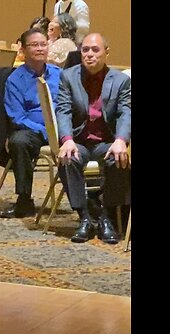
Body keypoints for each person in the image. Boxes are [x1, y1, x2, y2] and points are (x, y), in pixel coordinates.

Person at [55, 33, 131, 244]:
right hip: (79, 139)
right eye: (85, 50)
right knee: (68, 158)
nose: (89, 54)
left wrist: (121, 140)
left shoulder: (121, 81)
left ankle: (107, 216)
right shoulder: (68, 76)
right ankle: (84, 218)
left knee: (119, 159)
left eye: (95, 50)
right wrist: (67, 139)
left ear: (106, 52)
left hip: (105, 142)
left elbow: (126, 112)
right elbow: (63, 111)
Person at [0, 28, 61, 219]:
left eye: (43, 44)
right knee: (19, 141)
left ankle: (89, 202)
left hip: (62, 130)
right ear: (23, 50)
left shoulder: (60, 75)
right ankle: (24, 200)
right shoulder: (15, 80)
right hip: (33, 132)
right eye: (34, 45)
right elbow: (17, 117)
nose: (40, 49)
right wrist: (45, 130)